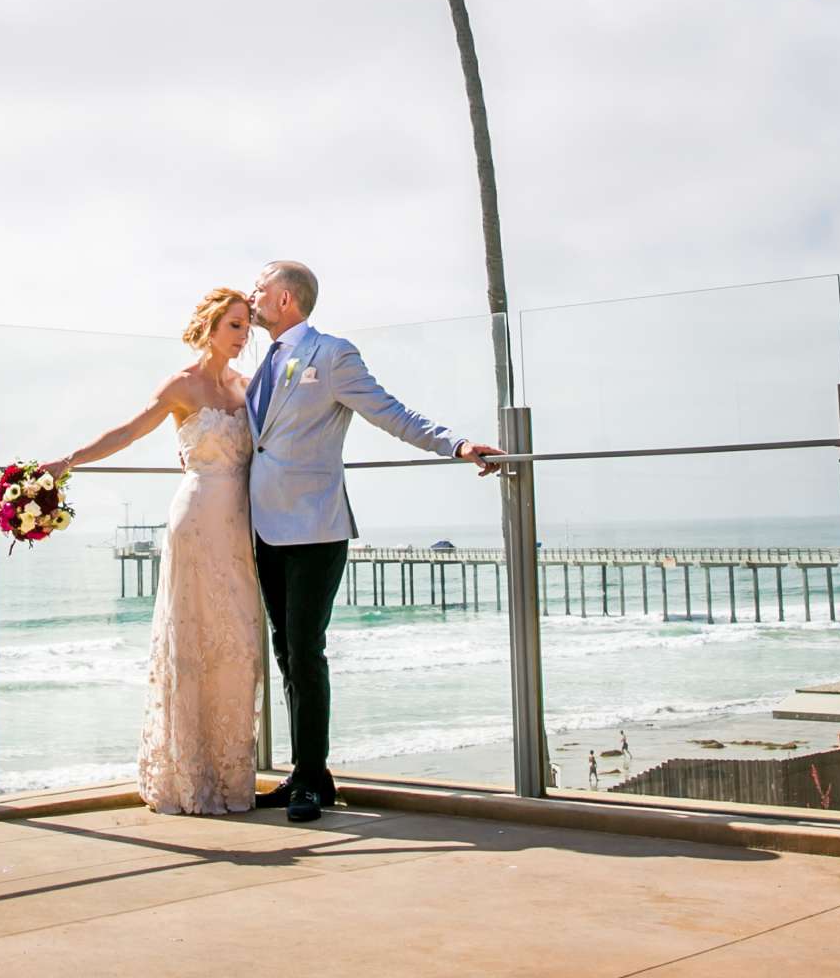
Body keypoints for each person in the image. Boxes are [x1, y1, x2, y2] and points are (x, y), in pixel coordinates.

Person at [246, 261, 501, 823]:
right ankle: (305, 772)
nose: (251, 295)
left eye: (259, 288)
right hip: (263, 526)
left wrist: (455, 445)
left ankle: (312, 780)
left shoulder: (332, 354)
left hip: (316, 525)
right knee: (287, 652)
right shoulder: (262, 363)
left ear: (285, 298)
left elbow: (390, 412)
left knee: (306, 652)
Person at [45, 288, 263, 815]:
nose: (243, 336)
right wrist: (69, 461)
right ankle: (188, 777)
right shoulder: (181, 385)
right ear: (210, 326)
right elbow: (129, 430)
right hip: (196, 519)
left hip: (242, 527)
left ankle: (233, 777)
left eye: (246, 326)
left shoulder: (246, 386)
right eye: (234, 325)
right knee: (193, 643)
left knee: (240, 647)